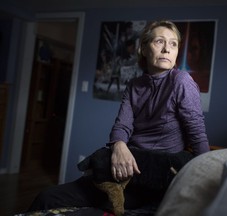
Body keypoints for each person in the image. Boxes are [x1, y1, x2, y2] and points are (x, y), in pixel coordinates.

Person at [27, 20, 210, 214]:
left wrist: (209, 182)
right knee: (47, 197)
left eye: (173, 44)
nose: (167, 49)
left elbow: (197, 134)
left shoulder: (181, 81)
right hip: (124, 170)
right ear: (144, 49)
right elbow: (122, 126)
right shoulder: (134, 85)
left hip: (157, 179)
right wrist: (119, 145)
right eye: (159, 42)